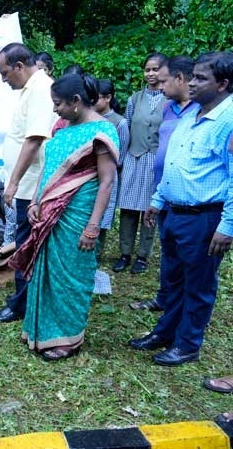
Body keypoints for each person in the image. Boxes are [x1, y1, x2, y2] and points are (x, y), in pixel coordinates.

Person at [129, 51, 233, 367]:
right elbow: (175, 162)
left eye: (201, 78)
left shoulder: (228, 120)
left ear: (223, 84)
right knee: (172, 279)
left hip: (204, 217)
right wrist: (158, 200)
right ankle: (165, 332)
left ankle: (188, 344)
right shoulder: (190, 115)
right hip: (174, 212)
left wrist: (228, 226)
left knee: (198, 285)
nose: (192, 83)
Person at [10, 73, 119, 361]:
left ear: (76, 101)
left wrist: (93, 227)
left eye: (58, 104)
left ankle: (69, 338)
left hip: (78, 214)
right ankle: (42, 331)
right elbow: (48, 169)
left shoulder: (102, 132)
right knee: (47, 273)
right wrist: (34, 202)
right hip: (47, 211)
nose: (55, 109)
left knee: (71, 275)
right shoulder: (60, 128)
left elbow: (106, 182)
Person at [0, 42, 55, 323]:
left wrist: (13, 183)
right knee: (25, 242)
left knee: (26, 245)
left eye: (5, 73)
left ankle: (21, 305)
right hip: (27, 184)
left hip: (30, 186)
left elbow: (35, 138)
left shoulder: (40, 90)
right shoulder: (32, 89)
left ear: (19, 66)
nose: (3, 79)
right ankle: (23, 299)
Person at [129, 56, 197, 312]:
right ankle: (165, 298)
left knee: (187, 258)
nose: (159, 83)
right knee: (169, 253)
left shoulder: (200, 111)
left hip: (189, 198)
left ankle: (182, 306)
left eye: (164, 79)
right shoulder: (168, 109)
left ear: (180, 79)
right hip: (164, 190)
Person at [113, 52, 168, 274]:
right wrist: (120, 159)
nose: (151, 73)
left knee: (150, 209)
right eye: (147, 69)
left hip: (155, 160)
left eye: (155, 69)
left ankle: (143, 256)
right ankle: (125, 253)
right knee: (127, 209)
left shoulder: (170, 99)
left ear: (164, 71)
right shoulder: (134, 98)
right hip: (133, 159)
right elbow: (126, 128)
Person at [94, 79, 130, 257]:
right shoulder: (90, 119)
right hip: (90, 174)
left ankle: (97, 254)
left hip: (108, 175)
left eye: (96, 98)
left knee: (103, 216)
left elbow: (121, 155)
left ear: (108, 98)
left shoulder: (120, 123)